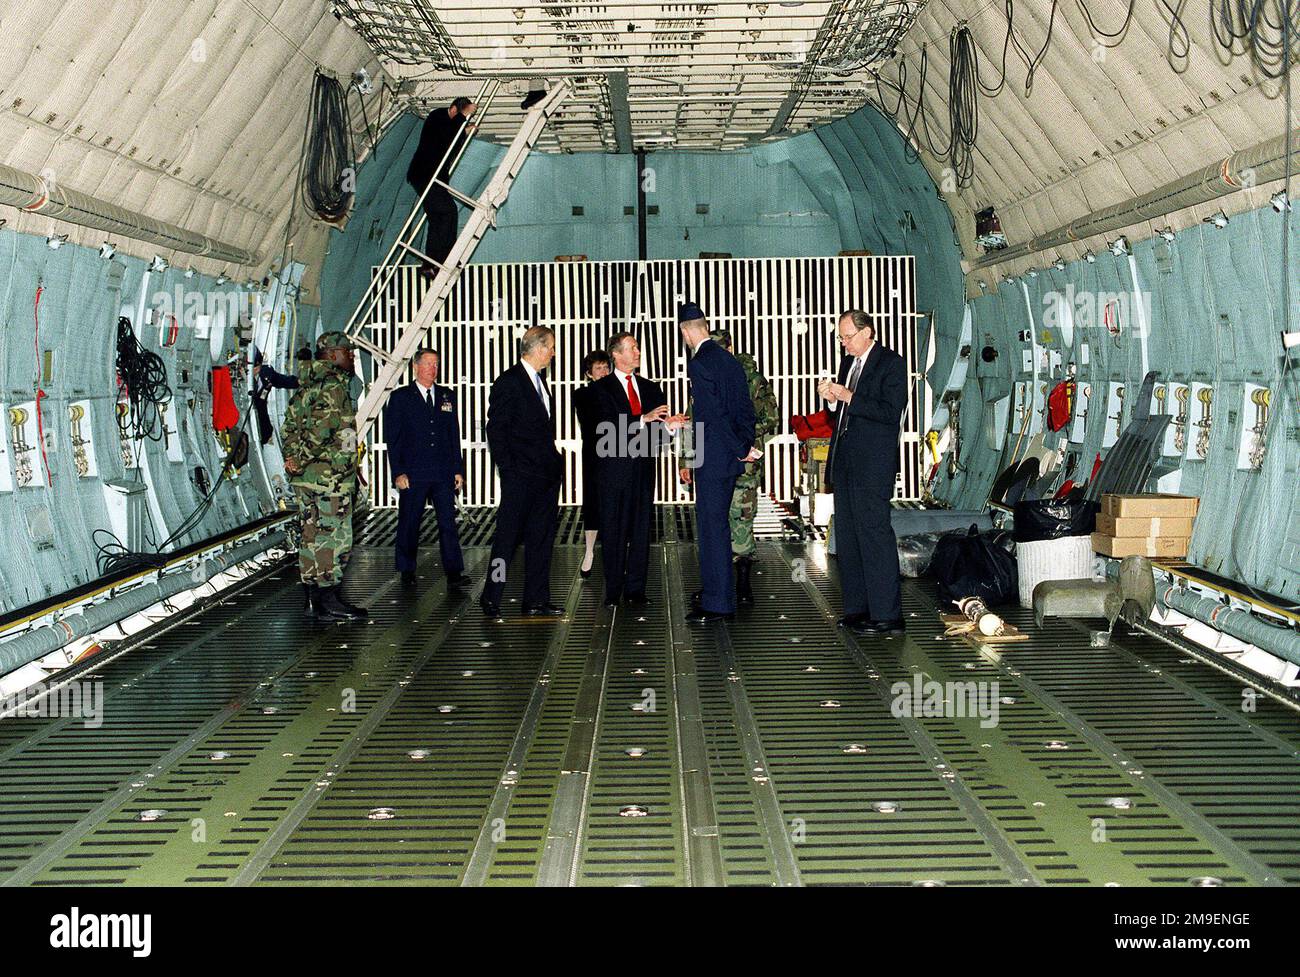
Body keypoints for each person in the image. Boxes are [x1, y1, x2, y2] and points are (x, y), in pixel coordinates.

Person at [819, 309, 908, 635]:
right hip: (846, 461)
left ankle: (887, 615)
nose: (844, 344)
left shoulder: (891, 364)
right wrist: (833, 400)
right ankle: (858, 608)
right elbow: (845, 414)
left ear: (868, 332)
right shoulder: (849, 364)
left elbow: (889, 411)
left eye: (848, 337)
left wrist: (848, 396)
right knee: (849, 535)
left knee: (874, 534)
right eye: (841, 338)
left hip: (873, 464)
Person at [281, 331, 369, 622]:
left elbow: (289, 427)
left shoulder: (307, 385)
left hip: (307, 479)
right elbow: (324, 430)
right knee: (335, 537)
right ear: (332, 355)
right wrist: (306, 459)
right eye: (347, 351)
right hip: (329, 479)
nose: (352, 356)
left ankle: (312, 596)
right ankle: (329, 599)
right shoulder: (334, 387)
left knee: (310, 535)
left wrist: (293, 460)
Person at [676, 303, 755, 623]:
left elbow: (712, 416)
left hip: (712, 459)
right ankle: (717, 596)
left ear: (686, 331)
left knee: (711, 530)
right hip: (729, 460)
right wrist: (744, 446)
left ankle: (718, 602)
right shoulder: (730, 361)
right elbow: (744, 411)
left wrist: (737, 449)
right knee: (719, 528)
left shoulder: (700, 364)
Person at [482, 326, 564, 618]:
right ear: (538, 348)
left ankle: (536, 599)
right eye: (551, 347)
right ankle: (492, 596)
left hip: (545, 476)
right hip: (520, 476)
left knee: (541, 539)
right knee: (507, 539)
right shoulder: (510, 382)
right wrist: (508, 470)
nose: (554, 353)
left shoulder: (540, 383)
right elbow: (496, 428)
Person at [592, 332, 672, 606]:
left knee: (640, 530)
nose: (638, 352)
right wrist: (642, 419)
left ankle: (636, 589)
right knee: (613, 530)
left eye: (638, 347)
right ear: (616, 354)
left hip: (643, 469)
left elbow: (658, 436)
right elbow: (604, 429)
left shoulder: (650, 388)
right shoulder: (601, 390)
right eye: (633, 348)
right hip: (613, 471)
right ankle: (613, 591)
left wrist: (667, 427)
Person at [384, 348, 470, 591]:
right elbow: (394, 439)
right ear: (415, 367)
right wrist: (398, 472)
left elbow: (453, 435)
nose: (433, 369)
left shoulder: (446, 396)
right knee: (410, 522)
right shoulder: (401, 398)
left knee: (448, 524)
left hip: (442, 472)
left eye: (436, 364)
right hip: (414, 473)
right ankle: (406, 570)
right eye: (429, 364)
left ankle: (454, 572)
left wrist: (457, 469)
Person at [706, 330, 778, 604]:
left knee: (742, 523)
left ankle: (743, 585)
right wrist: (686, 459)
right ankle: (718, 586)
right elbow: (694, 420)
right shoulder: (705, 375)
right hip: (713, 464)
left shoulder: (752, 380)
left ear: (731, 348)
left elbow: (771, 417)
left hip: (743, 465)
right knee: (714, 523)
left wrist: (740, 435)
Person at [405, 97, 477, 278]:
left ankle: (430, 263)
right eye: (460, 115)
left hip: (431, 177)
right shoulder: (437, 116)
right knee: (448, 212)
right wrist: (463, 118)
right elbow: (446, 134)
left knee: (438, 218)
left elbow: (448, 145)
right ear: (453, 110)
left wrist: (464, 133)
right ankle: (445, 258)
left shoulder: (449, 126)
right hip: (425, 175)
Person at [572, 349, 611, 579]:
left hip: (617, 453)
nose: (604, 372)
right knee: (593, 503)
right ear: (589, 374)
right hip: (595, 456)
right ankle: (589, 552)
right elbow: (593, 422)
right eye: (599, 368)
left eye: (607, 367)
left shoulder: (618, 391)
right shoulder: (582, 394)